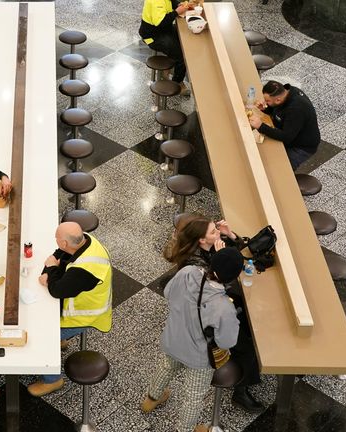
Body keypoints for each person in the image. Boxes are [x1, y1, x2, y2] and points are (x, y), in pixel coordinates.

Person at [163, 214, 264, 413]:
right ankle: (241, 392)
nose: (218, 232)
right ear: (202, 239)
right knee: (248, 346)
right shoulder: (198, 265)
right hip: (203, 323)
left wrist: (231, 236)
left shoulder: (205, 248)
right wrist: (220, 258)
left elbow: (234, 259)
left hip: (197, 314)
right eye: (214, 231)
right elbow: (221, 279)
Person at [141, 248, 244, 432]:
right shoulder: (224, 308)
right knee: (193, 396)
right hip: (198, 358)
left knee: (166, 367)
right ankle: (185, 429)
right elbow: (226, 342)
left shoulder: (187, 272)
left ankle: (151, 399)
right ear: (232, 277)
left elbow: (168, 294)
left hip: (173, 340)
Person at [27, 222, 113, 397]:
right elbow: (58, 254)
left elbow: (57, 290)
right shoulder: (85, 240)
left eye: (57, 239)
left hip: (83, 317)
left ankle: (52, 380)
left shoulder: (85, 269)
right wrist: (50, 272)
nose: (56, 242)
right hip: (74, 303)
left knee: (43, 336)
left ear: (66, 242)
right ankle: (61, 340)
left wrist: (51, 270)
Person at [248, 80, 320, 170]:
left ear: (278, 100)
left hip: (301, 147)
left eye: (267, 101)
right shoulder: (286, 94)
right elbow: (280, 110)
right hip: (290, 133)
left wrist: (261, 126)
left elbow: (286, 137)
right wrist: (266, 109)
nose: (265, 102)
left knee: (282, 169)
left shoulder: (296, 109)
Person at [139, 0, 194, 94]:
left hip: (163, 30)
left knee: (181, 38)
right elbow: (161, 22)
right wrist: (177, 12)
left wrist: (178, 5)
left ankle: (168, 67)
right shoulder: (156, 2)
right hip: (153, 36)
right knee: (181, 55)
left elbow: (170, 1)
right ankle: (178, 83)